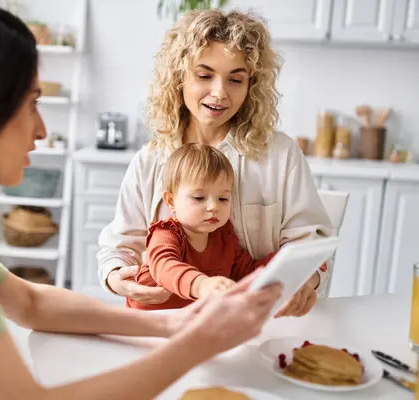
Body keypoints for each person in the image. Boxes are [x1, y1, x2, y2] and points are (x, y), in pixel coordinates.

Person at [0, 1, 283, 399]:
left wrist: (174, 324)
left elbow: (31, 303)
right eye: (31, 103)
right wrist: (199, 343)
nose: (40, 129)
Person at [98, 9, 332, 316]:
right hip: (166, 324)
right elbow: (119, 247)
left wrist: (307, 279)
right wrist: (117, 278)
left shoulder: (280, 154)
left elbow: (309, 245)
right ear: (179, 77)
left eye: (236, 79)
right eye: (204, 75)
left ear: (251, 87)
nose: (220, 93)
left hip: (256, 321)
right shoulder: (149, 161)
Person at [127, 143, 277, 310]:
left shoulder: (224, 236)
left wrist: (283, 260)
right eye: (199, 198)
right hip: (148, 322)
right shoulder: (166, 233)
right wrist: (201, 285)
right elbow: (165, 266)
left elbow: (247, 270)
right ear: (171, 201)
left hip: (192, 321)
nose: (214, 206)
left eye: (223, 199)